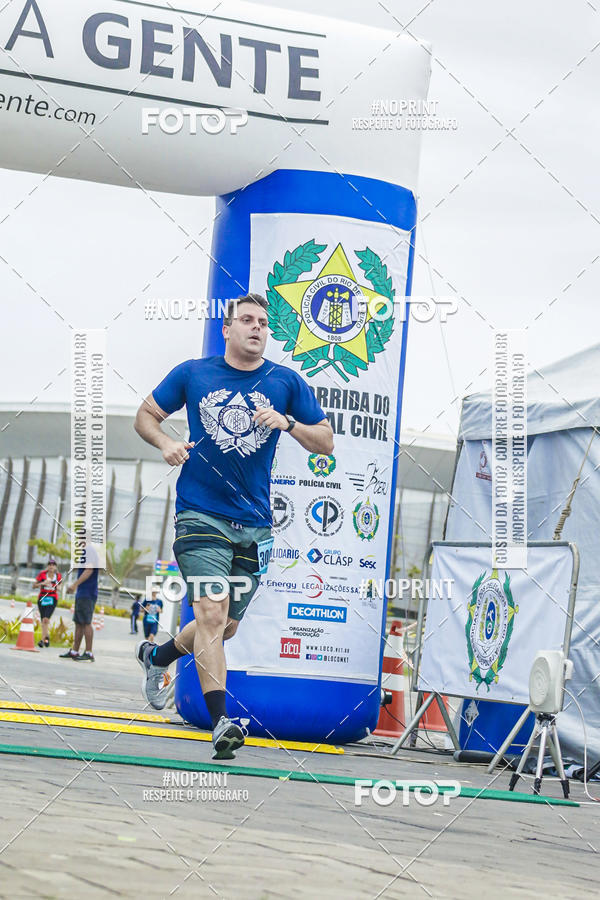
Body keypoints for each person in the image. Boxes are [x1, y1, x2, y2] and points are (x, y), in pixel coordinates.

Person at [133, 293, 333, 758]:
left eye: (263, 322)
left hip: (255, 524)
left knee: (225, 628)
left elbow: (325, 442)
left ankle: (158, 656)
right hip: (200, 514)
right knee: (210, 614)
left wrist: (288, 423)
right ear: (227, 329)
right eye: (246, 320)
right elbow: (145, 415)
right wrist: (165, 442)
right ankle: (222, 722)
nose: (257, 328)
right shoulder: (194, 373)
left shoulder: (285, 381)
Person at [60, 558, 99, 662]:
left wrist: (74, 585)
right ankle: (74, 651)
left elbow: (89, 570)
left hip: (87, 593)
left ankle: (88, 652)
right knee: (79, 622)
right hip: (82, 593)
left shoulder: (90, 551)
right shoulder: (85, 553)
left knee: (86, 622)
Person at [34, 558, 62, 648]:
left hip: (52, 599)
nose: (51, 566)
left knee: (46, 619)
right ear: (47, 566)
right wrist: (43, 583)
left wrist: (58, 588)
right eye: (49, 564)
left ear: (55, 567)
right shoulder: (42, 574)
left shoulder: (58, 576)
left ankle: (42, 640)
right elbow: (34, 585)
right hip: (42, 598)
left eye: (53, 565)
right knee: (43, 621)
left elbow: (60, 586)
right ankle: (47, 638)